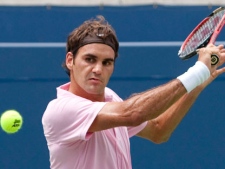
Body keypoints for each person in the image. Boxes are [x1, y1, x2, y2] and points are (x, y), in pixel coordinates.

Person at [42, 15, 225, 169]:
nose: (98, 69)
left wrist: (196, 86)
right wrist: (198, 71)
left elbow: (159, 131)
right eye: (90, 59)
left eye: (107, 62)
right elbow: (134, 113)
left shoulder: (110, 98)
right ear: (70, 60)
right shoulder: (61, 110)